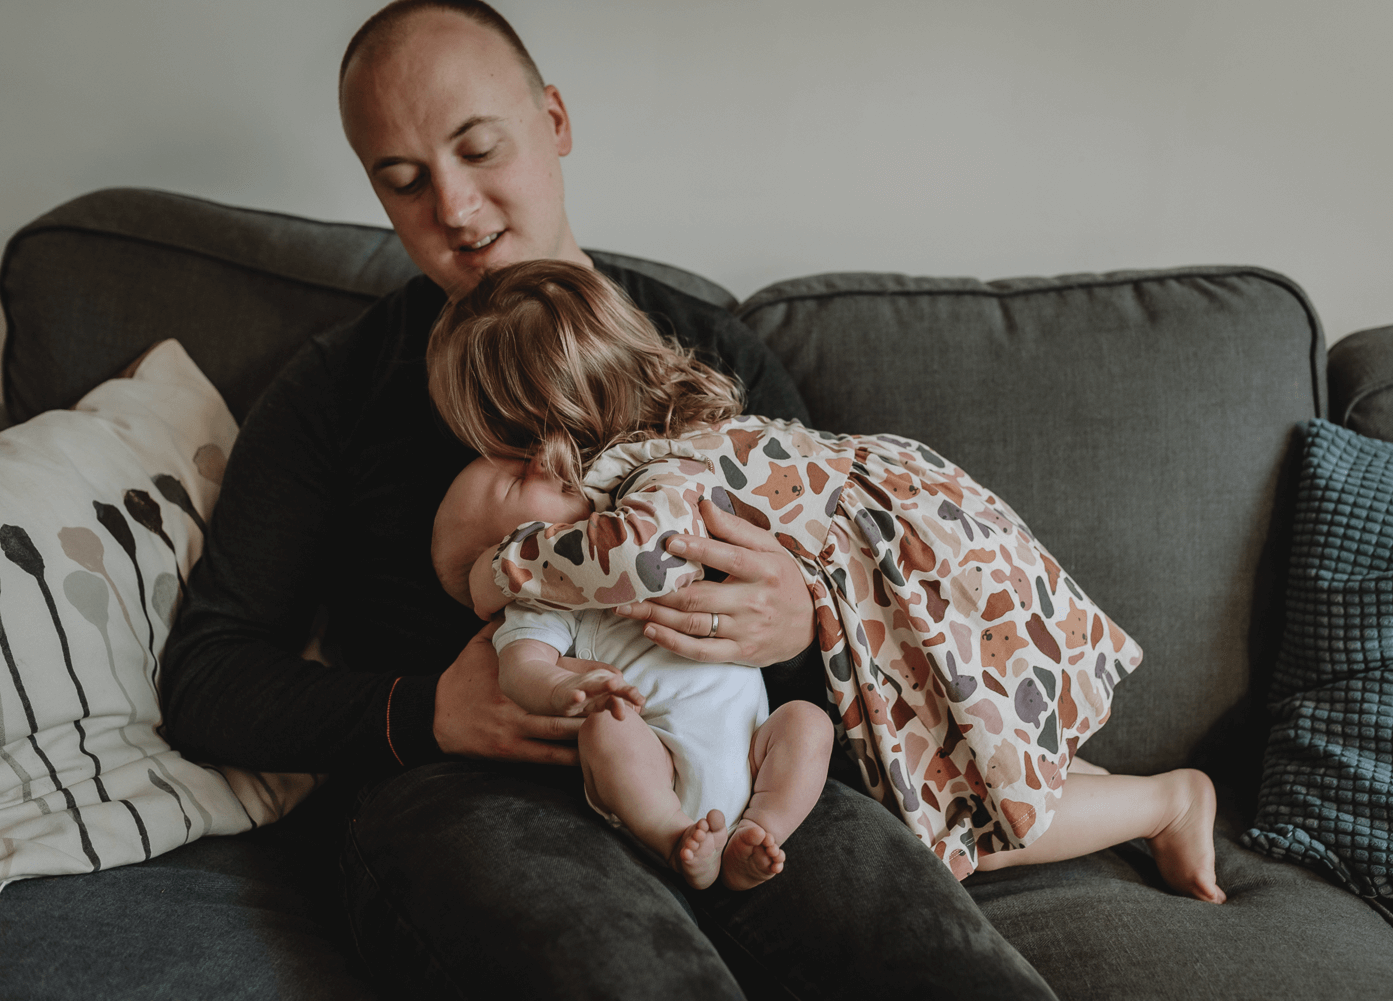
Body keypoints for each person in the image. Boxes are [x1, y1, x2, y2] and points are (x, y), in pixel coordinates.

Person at [159, 1, 1060, 997]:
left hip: (740, 772)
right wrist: (428, 713)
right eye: (403, 180)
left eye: (479, 148)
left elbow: (869, 620)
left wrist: (805, 619)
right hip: (467, 799)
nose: (455, 209)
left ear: (554, 122)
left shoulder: (705, 351)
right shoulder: (338, 385)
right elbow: (208, 673)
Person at [425, 258, 1228, 900]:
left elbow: (639, 559)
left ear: (543, 440)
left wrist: (505, 568)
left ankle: (1168, 801)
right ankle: (1135, 796)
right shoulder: (692, 428)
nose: (492, 471)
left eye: (492, 451)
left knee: (964, 834)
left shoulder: (656, 472)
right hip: (914, 553)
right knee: (986, 761)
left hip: (909, 577)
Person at [432, 455, 835, 891]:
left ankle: (759, 831)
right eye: (513, 482)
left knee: (808, 722)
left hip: (757, 747)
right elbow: (520, 670)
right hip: (656, 770)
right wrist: (562, 687)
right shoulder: (541, 605)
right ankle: (672, 836)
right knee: (608, 730)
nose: (544, 462)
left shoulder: (645, 542)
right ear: (497, 553)